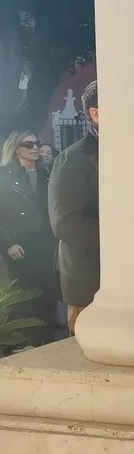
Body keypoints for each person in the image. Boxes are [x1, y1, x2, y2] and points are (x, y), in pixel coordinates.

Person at [0, 131, 61, 349]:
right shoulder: (4, 176)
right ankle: (22, 343)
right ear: (16, 148)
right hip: (19, 243)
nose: (35, 147)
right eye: (29, 144)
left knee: (47, 290)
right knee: (24, 293)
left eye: (38, 143)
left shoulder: (48, 172)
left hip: (46, 240)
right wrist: (8, 244)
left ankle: (46, 339)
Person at [48, 80, 99, 336]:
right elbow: (65, 223)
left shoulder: (129, 153)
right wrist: (122, 238)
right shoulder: (73, 159)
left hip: (132, 278)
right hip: (88, 276)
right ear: (95, 114)